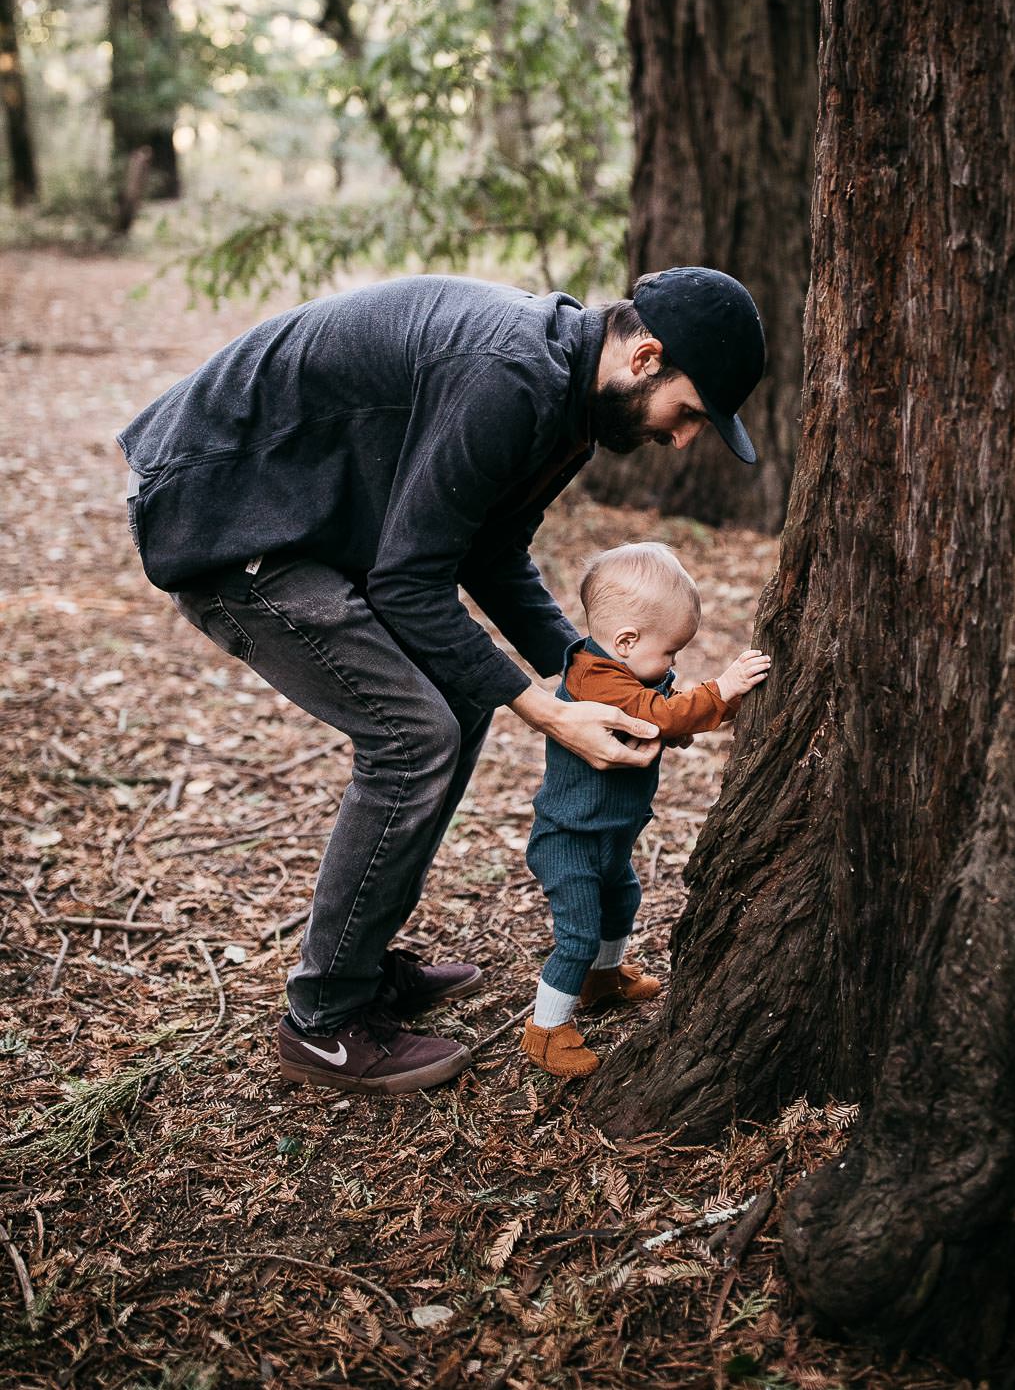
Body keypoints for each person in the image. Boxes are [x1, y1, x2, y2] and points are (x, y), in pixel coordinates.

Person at [117, 266, 766, 1095]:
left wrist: (582, 673)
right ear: (645, 357)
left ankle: (360, 965)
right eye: (689, 415)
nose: (681, 441)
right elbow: (409, 579)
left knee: (458, 700)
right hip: (223, 512)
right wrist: (548, 712)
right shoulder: (513, 376)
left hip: (297, 513)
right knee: (413, 734)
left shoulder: (569, 399)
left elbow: (489, 554)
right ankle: (325, 1021)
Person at [519, 543, 771, 1078]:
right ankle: (545, 1030)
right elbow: (657, 715)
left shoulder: (627, 671)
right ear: (627, 641)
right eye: (671, 653)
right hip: (570, 840)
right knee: (579, 932)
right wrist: (719, 690)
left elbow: (662, 714)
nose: (673, 665)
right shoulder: (599, 680)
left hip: (610, 834)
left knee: (623, 900)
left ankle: (602, 980)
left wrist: (701, 712)